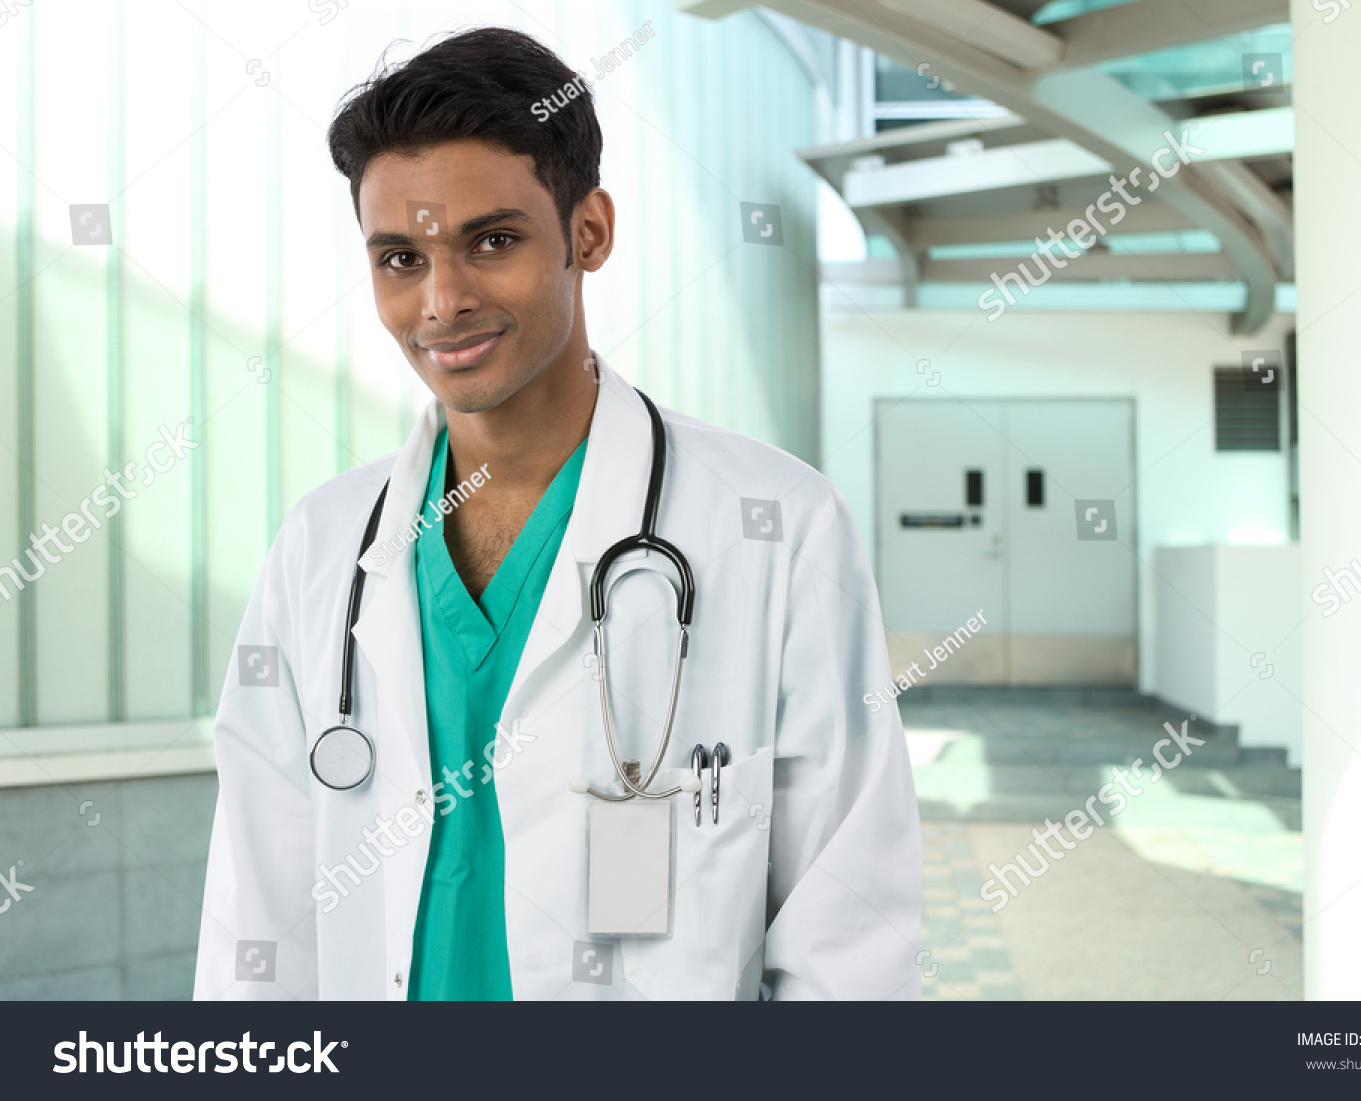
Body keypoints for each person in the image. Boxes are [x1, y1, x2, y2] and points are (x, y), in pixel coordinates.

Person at [193, 25, 920, 1001]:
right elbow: (260, 909)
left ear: (589, 231)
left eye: (492, 242)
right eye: (400, 258)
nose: (442, 301)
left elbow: (848, 931)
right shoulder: (322, 546)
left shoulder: (778, 525)